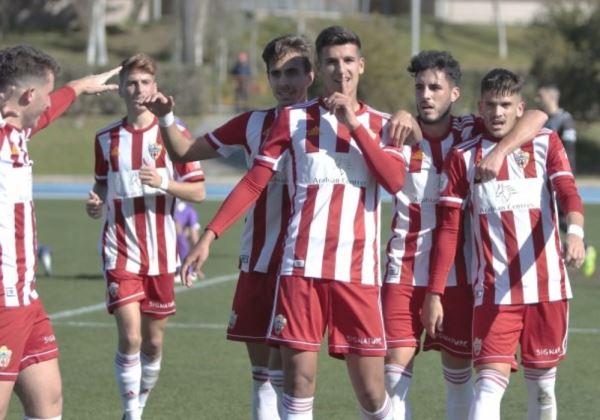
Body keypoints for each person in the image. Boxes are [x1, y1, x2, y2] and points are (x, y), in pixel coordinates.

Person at [181, 26, 422, 419]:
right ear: (319, 69)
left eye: (347, 61)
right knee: (298, 385)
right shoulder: (292, 120)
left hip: (356, 273)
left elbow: (394, 181)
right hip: (300, 270)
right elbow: (254, 181)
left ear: (360, 66)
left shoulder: (383, 125)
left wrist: (354, 124)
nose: (340, 70)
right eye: (331, 61)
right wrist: (209, 236)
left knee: (372, 392)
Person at [140, 34, 316, 420]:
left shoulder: (331, 123)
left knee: (298, 374)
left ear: (311, 74)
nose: (284, 82)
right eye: (276, 73)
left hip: (311, 266)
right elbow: (184, 152)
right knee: (263, 375)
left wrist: (406, 118)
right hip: (258, 259)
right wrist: (167, 117)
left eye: (292, 72)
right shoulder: (254, 123)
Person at [382, 51, 548, 420]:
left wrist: (502, 150)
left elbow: (536, 115)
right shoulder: (396, 131)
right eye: (420, 87)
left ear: (454, 94)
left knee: (458, 380)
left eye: (435, 87)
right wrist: (400, 114)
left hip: (460, 275)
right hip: (403, 268)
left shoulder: (470, 130)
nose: (426, 95)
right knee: (393, 377)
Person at [422, 68, 585, 420]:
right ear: (480, 107)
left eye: (506, 105)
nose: (497, 113)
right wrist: (435, 293)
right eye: (491, 105)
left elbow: (568, 192)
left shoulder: (545, 143)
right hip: (495, 294)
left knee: (542, 390)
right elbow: (449, 231)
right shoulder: (463, 157)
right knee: (488, 387)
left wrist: (576, 233)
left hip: (547, 290)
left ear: (519, 108)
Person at [0, 45, 119, 420]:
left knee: (48, 400)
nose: (49, 104)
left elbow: (50, 112)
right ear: (28, 95)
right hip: (3, 298)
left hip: (26, 296)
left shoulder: (17, 130)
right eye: (46, 94)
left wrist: (81, 86)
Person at [85, 53, 205, 420]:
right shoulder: (106, 138)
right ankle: (130, 413)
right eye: (131, 83)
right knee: (132, 337)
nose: (138, 90)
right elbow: (102, 187)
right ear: (121, 89)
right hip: (119, 250)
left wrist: (165, 182)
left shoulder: (174, 134)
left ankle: (140, 404)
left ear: (156, 88)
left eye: (145, 83)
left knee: (153, 343)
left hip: (162, 254)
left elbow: (198, 192)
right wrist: (96, 202)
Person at [537, 84, 596, 277]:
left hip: (559, 177)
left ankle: (585, 249)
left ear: (552, 98)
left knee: (561, 216)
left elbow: (568, 151)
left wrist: (565, 175)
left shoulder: (565, 120)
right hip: (543, 178)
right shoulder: (542, 120)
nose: (538, 100)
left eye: (541, 96)